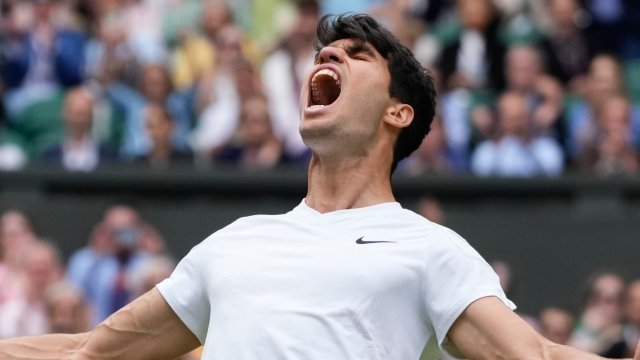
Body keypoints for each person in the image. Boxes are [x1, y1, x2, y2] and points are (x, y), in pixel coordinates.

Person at [2, 13, 640, 360]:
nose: (327, 58)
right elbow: (87, 351)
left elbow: (534, 359)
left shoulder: (430, 250)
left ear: (398, 112)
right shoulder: (234, 244)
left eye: (357, 56)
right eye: (325, 53)